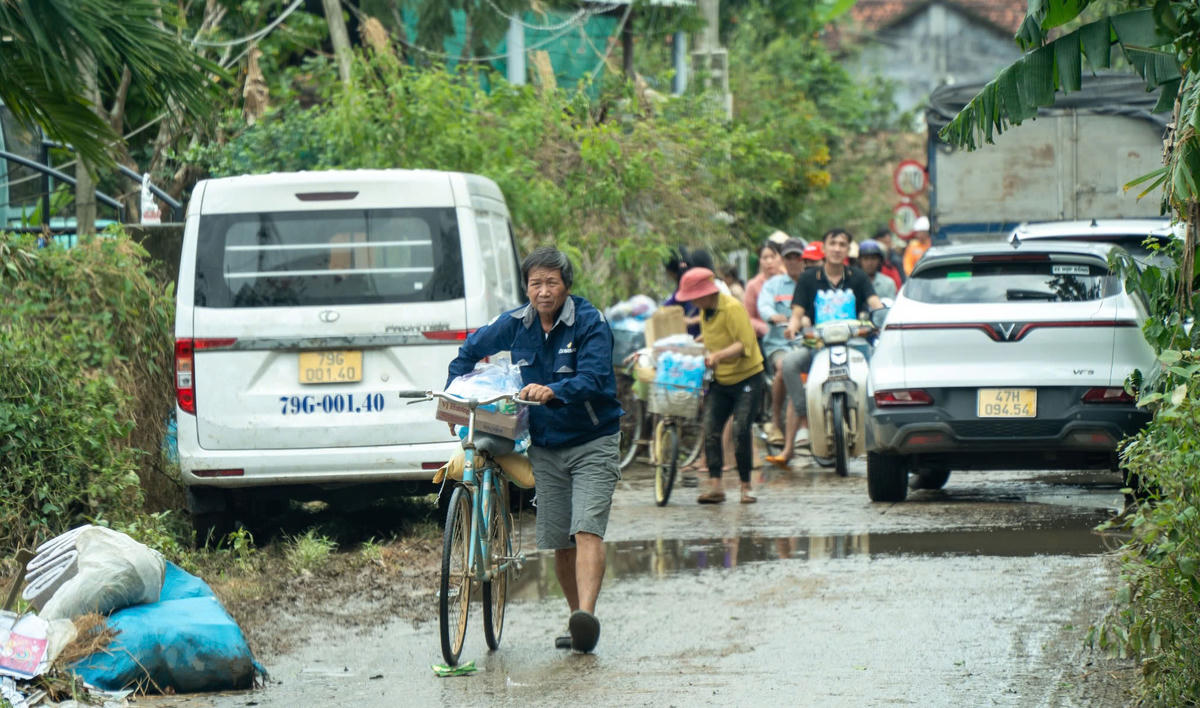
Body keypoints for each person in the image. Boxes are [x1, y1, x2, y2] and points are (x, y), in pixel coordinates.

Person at [445, 247, 623, 654]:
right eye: (535, 283)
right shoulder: (515, 323)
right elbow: (469, 352)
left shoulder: (590, 322)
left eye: (552, 283)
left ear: (566, 286)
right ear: (527, 287)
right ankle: (579, 622)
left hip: (593, 440)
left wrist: (554, 390)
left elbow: (595, 379)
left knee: (586, 528)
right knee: (561, 538)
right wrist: (459, 395)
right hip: (545, 446)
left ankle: (588, 615)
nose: (543, 292)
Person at [775, 229, 884, 466]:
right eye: (832, 243)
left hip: (855, 343)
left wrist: (882, 318)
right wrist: (792, 327)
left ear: (847, 250)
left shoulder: (858, 277)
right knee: (790, 363)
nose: (837, 248)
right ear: (823, 248)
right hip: (818, 344)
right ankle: (802, 422)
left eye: (842, 244)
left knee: (878, 373)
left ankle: (878, 433)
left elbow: (875, 304)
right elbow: (797, 312)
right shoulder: (807, 278)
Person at [673, 267, 765, 504]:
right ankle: (716, 487)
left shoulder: (732, 308)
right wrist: (693, 344)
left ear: (706, 293)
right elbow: (713, 334)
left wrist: (717, 356)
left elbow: (744, 343)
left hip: (748, 377)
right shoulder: (706, 311)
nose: (692, 301)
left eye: (694, 296)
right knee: (711, 428)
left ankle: (746, 487)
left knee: (741, 430)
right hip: (722, 379)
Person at [757, 238, 806, 452]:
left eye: (798, 257)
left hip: (808, 342)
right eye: (789, 257)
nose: (794, 261)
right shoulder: (773, 285)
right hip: (779, 344)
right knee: (783, 367)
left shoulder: (811, 281)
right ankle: (776, 422)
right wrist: (773, 316)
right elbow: (764, 306)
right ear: (783, 260)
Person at [744, 240, 784, 339]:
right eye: (765, 258)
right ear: (760, 261)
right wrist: (763, 328)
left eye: (773, 257)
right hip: (764, 338)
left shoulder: (790, 280)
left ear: (781, 259)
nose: (769, 261)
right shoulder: (753, 285)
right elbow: (747, 318)